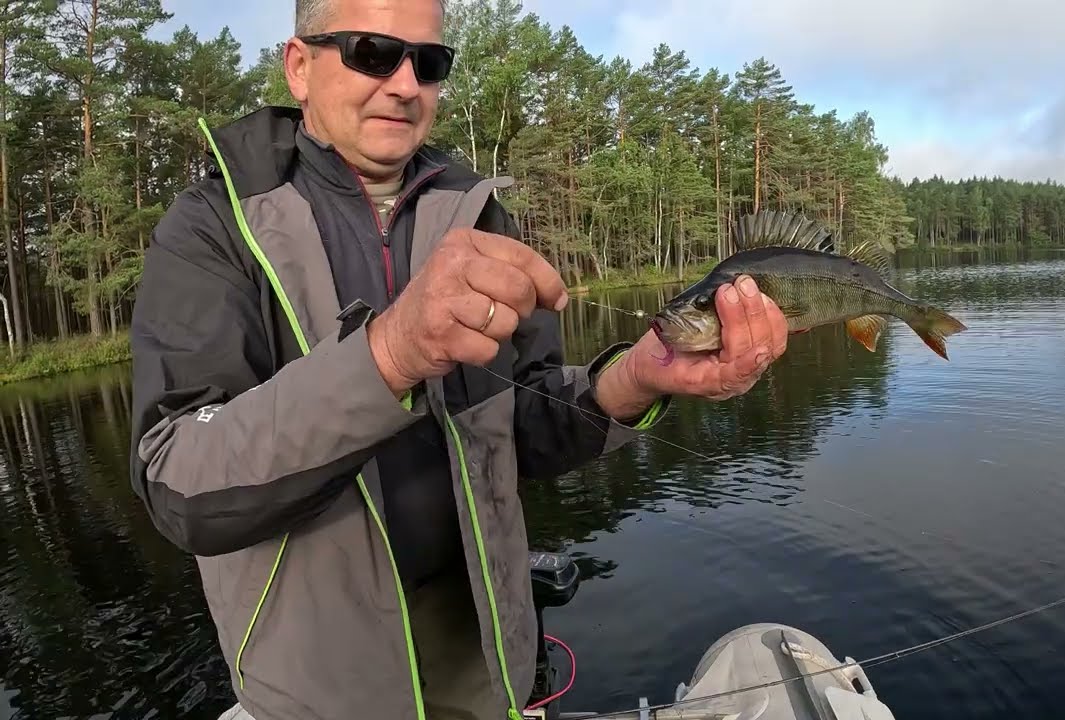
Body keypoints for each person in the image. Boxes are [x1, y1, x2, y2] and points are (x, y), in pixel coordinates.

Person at [127, 0, 789, 719]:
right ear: (299, 66)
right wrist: (389, 354)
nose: (406, 84)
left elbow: (523, 425)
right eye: (373, 52)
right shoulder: (213, 225)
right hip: (321, 699)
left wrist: (633, 380)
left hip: (491, 681)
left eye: (429, 62)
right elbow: (179, 486)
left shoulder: (476, 211)